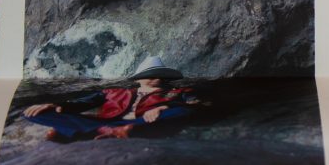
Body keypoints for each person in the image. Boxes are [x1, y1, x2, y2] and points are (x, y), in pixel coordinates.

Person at [23, 56, 199, 141]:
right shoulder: (113, 92)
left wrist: (165, 108)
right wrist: (56, 105)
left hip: (140, 123)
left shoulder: (178, 91)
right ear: (138, 78)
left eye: (161, 75)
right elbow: (82, 104)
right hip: (103, 124)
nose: (157, 78)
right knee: (33, 113)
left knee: (182, 110)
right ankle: (101, 132)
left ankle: (72, 133)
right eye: (151, 74)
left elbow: (198, 106)